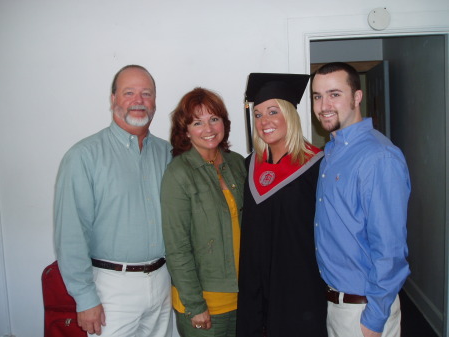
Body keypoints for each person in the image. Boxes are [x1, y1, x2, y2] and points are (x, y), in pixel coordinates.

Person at [54, 65, 173, 337]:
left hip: (163, 281)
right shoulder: (83, 156)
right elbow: (71, 233)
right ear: (113, 100)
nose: (138, 101)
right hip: (111, 290)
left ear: (155, 101)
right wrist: (85, 298)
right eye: (128, 92)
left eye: (146, 93)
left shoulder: (167, 153)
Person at [311, 62, 411, 337]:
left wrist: (374, 319)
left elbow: (390, 250)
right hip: (338, 306)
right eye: (317, 96)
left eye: (334, 94)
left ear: (357, 97)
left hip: (364, 312)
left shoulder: (378, 157)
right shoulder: (332, 152)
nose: (323, 105)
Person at [236, 73, 328, 337]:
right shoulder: (249, 165)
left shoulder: (317, 165)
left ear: (289, 114)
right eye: (258, 114)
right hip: (255, 284)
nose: (264, 121)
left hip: (299, 285)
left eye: (273, 111)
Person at [161, 87, 246, 337]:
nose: (208, 129)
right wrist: (195, 306)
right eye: (197, 122)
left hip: (243, 295)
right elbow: (177, 247)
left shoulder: (237, 163)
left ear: (224, 123)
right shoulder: (178, 174)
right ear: (185, 131)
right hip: (204, 303)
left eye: (214, 119)